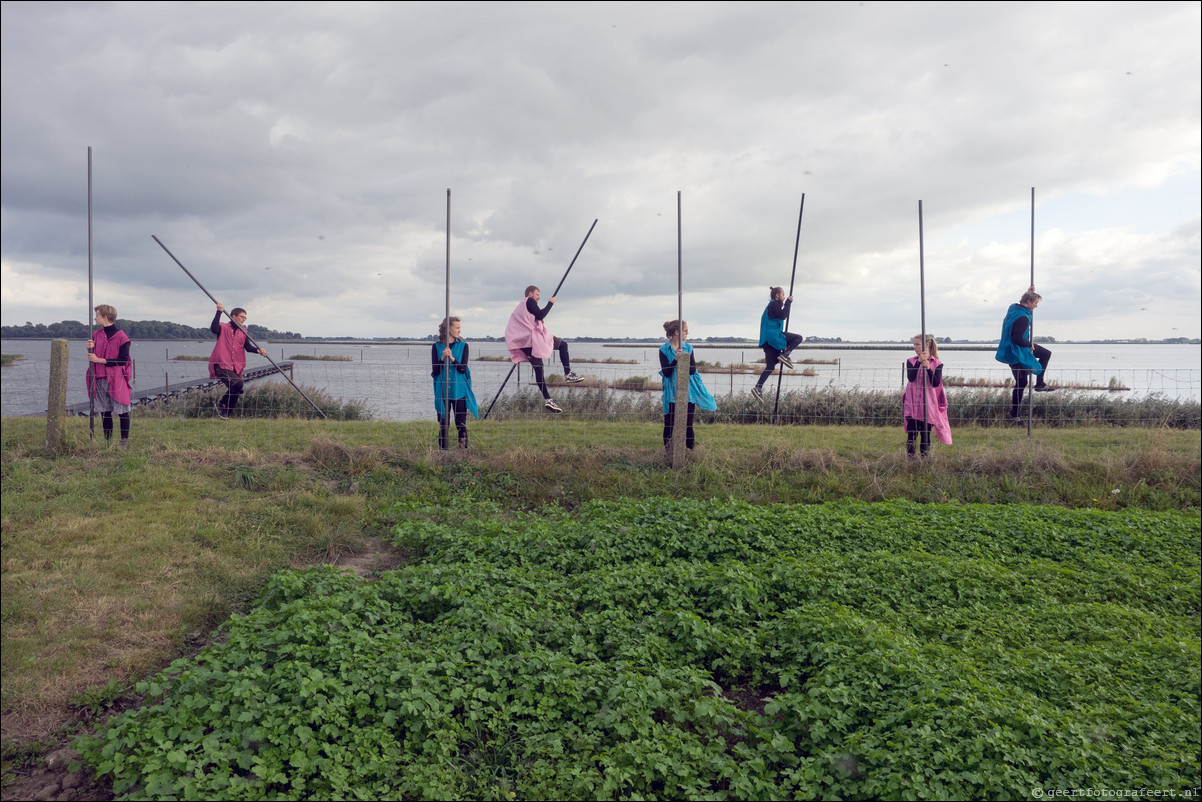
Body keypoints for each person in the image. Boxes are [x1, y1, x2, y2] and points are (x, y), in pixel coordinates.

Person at [504, 285, 583, 413]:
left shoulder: (521, 307)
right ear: (530, 294)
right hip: (530, 340)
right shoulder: (529, 301)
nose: (539, 297)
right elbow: (540, 315)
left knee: (539, 370)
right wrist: (550, 304)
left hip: (523, 343)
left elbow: (532, 319)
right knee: (563, 345)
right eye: (537, 294)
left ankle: (548, 400)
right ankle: (568, 374)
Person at [995, 285, 1054, 425]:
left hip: (1010, 349)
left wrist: (1029, 292)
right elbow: (1016, 339)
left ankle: (1039, 383)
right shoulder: (1023, 318)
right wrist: (1029, 345)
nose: (1036, 306)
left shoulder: (1013, 308)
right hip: (1017, 351)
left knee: (1045, 354)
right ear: (1028, 302)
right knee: (1021, 383)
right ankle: (1014, 415)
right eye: (1035, 303)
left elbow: (1023, 301)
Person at [659, 319, 717, 452]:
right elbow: (666, 373)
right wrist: (675, 359)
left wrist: (685, 357)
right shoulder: (663, 350)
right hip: (671, 392)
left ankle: (690, 452)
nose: (687, 333)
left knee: (688, 425)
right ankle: (668, 453)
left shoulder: (688, 348)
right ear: (677, 332)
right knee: (669, 424)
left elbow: (692, 370)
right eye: (686, 331)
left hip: (688, 391)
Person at [85, 304, 133, 447]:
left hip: (116, 379)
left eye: (97, 315)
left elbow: (123, 360)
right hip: (99, 377)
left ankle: (124, 442)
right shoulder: (96, 335)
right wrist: (89, 349)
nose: (95, 318)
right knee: (104, 411)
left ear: (105, 317)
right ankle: (108, 442)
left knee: (122, 410)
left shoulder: (122, 337)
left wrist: (100, 360)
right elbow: (92, 356)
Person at [208, 302, 266, 419]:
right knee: (238, 384)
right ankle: (221, 404)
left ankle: (226, 414)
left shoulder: (243, 331)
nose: (244, 319)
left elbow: (248, 347)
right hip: (222, 364)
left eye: (245, 317)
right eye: (241, 317)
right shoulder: (223, 327)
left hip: (236, 367)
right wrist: (219, 311)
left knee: (237, 388)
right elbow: (214, 329)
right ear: (233, 316)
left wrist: (258, 351)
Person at [431, 316, 478, 450]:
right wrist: (442, 358)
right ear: (448, 328)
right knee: (443, 424)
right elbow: (435, 371)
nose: (459, 330)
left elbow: (463, 369)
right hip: (442, 392)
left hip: (459, 391)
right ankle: (443, 453)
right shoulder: (436, 347)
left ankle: (463, 453)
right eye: (457, 328)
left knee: (461, 424)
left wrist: (451, 358)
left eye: (459, 328)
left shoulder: (464, 346)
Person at [751, 286, 804, 402]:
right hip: (773, 338)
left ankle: (758, 387)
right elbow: (783, 315)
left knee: (770, 366)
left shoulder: (771, 306)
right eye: (783, 295)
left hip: (767, 342)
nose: (784, 297)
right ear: (777, 296)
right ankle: (785, 356)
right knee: (798, 338)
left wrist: (786, 302)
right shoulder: (774, 304)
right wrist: (788, 302)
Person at [903, 334, 952, 458]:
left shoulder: (937, 364)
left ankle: (924, 460)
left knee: (925, 434)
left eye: (917, 344)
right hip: (912, 403)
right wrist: (918, 363)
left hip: (927, 404)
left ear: (927, 345)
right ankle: (910, 460)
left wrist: (929, 369)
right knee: (912, 434)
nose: (915, 347)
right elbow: (911, 378)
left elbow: (935, 383)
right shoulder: (911, 361)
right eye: (914, 344)